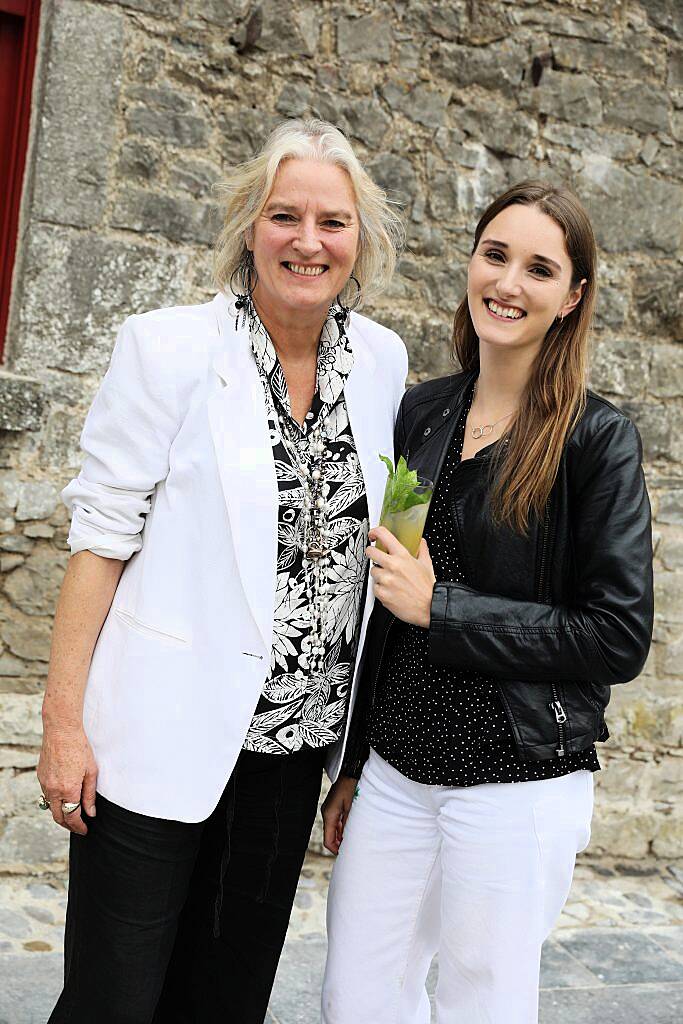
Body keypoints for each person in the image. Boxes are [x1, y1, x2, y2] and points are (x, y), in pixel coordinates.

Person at [37, 118, 407, 1024]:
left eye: (333, 221)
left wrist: (356, 751)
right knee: (111, 1001)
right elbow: (101, 539)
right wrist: (62, 725)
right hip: (154, 742)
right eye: (285, 215)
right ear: (250, 225)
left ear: (360, 241)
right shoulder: (166, 347)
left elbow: (391, 545)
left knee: (226, 1001)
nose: (307, 241)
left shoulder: (385, 366)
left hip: (289, 758)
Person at [321, 181, 653, 1024]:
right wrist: (354, 764)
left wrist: (449, 609)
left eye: (539, 268)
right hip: (396, 770)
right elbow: (383, 609)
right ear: (470, 262)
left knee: (482, 1005)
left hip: (516, 780)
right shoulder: (423, 413)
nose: (507, 283)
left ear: (571, 297)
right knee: (355, 999)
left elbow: (616, 635)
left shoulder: (593, 439)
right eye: (495, 255)